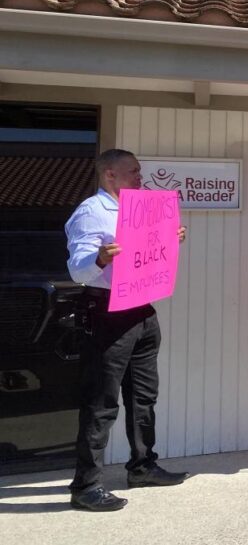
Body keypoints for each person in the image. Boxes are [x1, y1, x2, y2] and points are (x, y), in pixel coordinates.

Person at [64, 149, 189, 512]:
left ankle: (142, 466)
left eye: (139, 171)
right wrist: (101, 257)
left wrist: (170, 236)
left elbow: (150, 252)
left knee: (144, 396)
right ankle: (85, 486)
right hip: (108, 312)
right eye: (133, 172)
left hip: (143, 310)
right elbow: (77, 270)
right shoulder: (92, 212)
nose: (140, 177)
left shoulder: (142, 208)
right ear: (109, 176)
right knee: (101, 403)